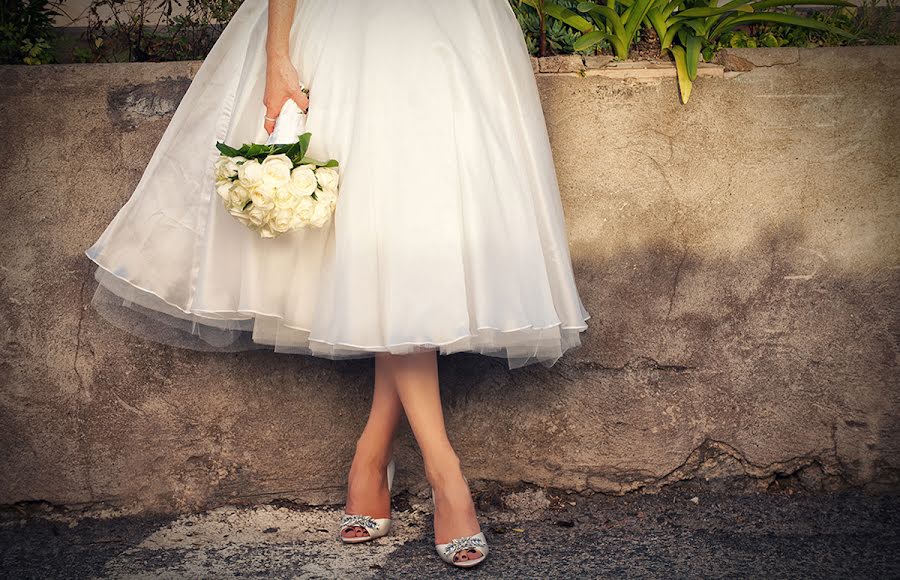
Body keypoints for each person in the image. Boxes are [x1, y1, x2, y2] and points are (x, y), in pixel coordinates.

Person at [84, 0, 590, 569]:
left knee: (412, 239)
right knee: (375, 236)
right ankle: (444, 472)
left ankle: (371, 454)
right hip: (350, 32)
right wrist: (278, 54)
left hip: (446, 32)